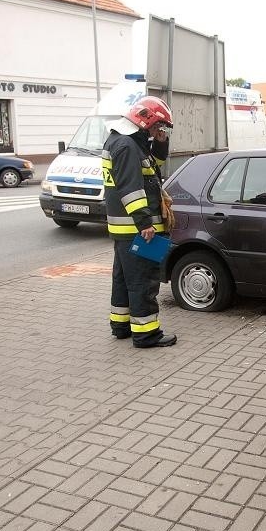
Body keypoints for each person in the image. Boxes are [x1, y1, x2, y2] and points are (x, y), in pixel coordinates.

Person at [103, 97, 177, 348]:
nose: (160, 130)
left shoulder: (125, 141)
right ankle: (147, 334)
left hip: (125, 228)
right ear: (147, 120)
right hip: (139, 229)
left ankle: (121, 326)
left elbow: (150, 168)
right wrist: (145, 223)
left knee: (123, 280)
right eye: (159, 126)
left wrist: (160, 142)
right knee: (144, 281)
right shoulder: (126, 145)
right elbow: (130, 188)